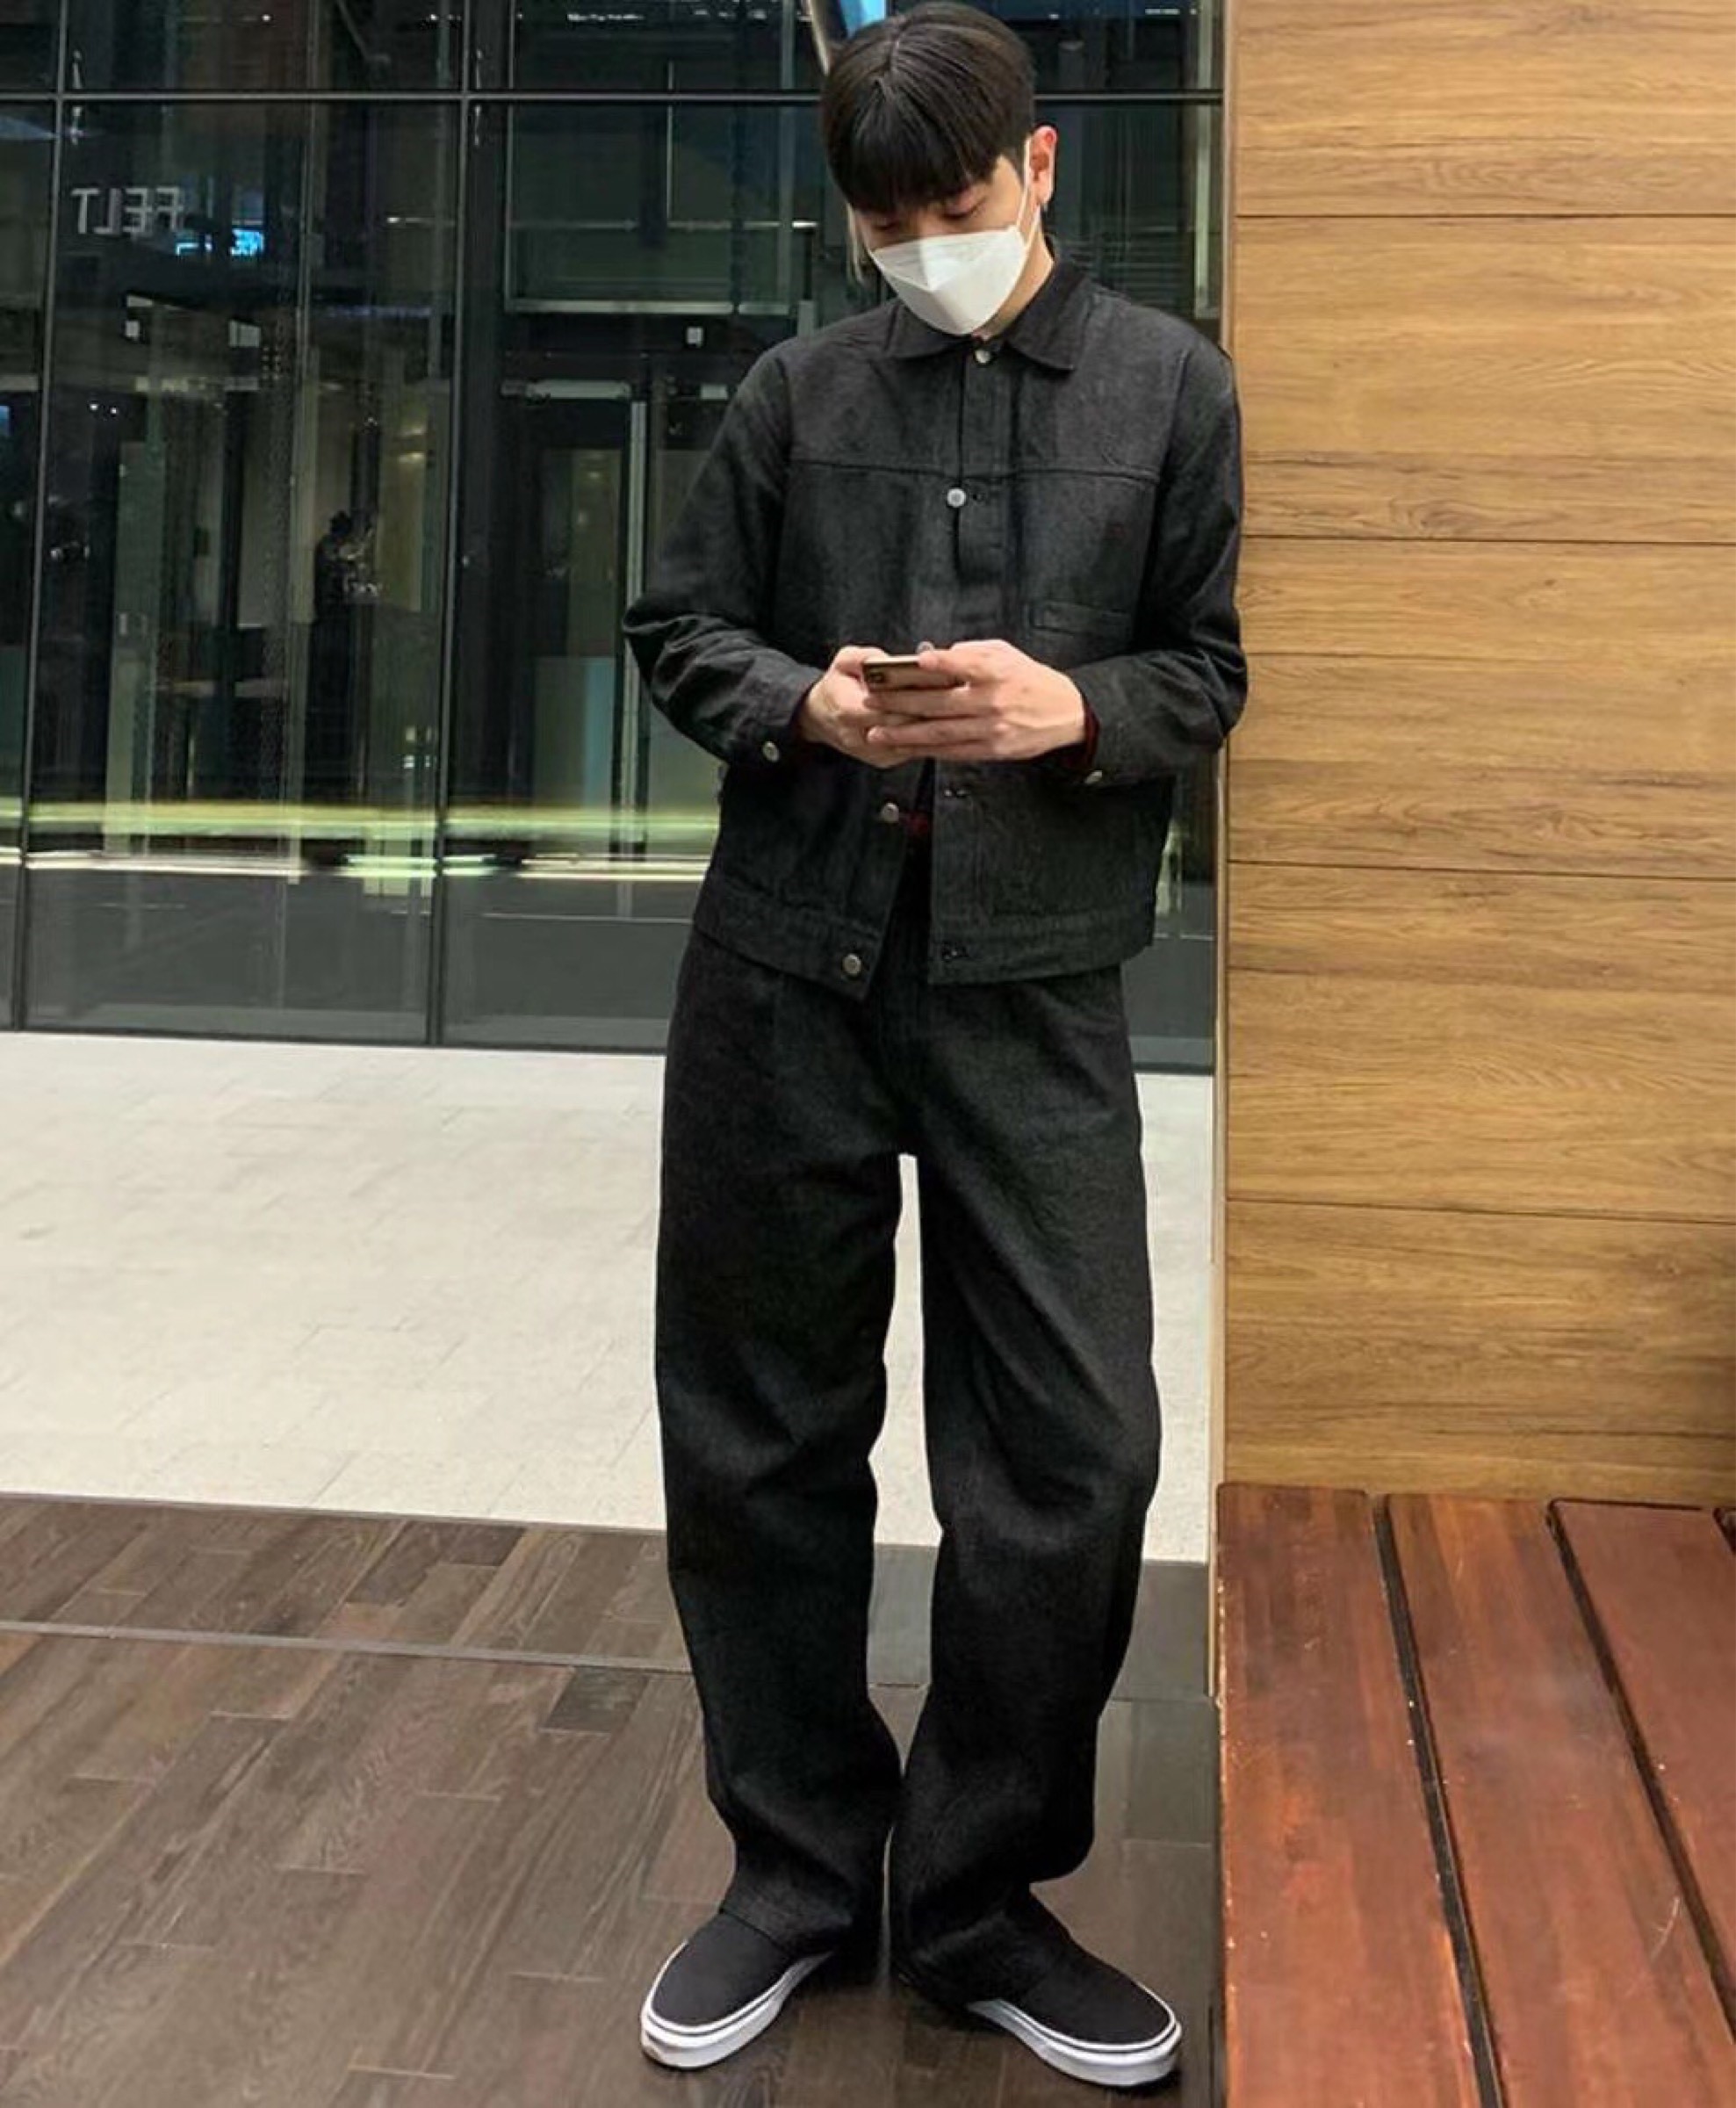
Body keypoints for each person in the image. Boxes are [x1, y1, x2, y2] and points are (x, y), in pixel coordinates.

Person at [622, 3, 1246, 2089]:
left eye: (950, 209)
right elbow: (679, 630)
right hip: (778, 977)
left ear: (1040, 167)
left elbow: (1205, 668)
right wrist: (798, 700)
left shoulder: (1169, 388)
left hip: (1034, 980)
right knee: (758, 1437)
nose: (919, 253)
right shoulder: (795, 394)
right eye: (880, 227)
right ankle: (799, 1870)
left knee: (1073, 1454)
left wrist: (1076, 711)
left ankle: (977, 1901)